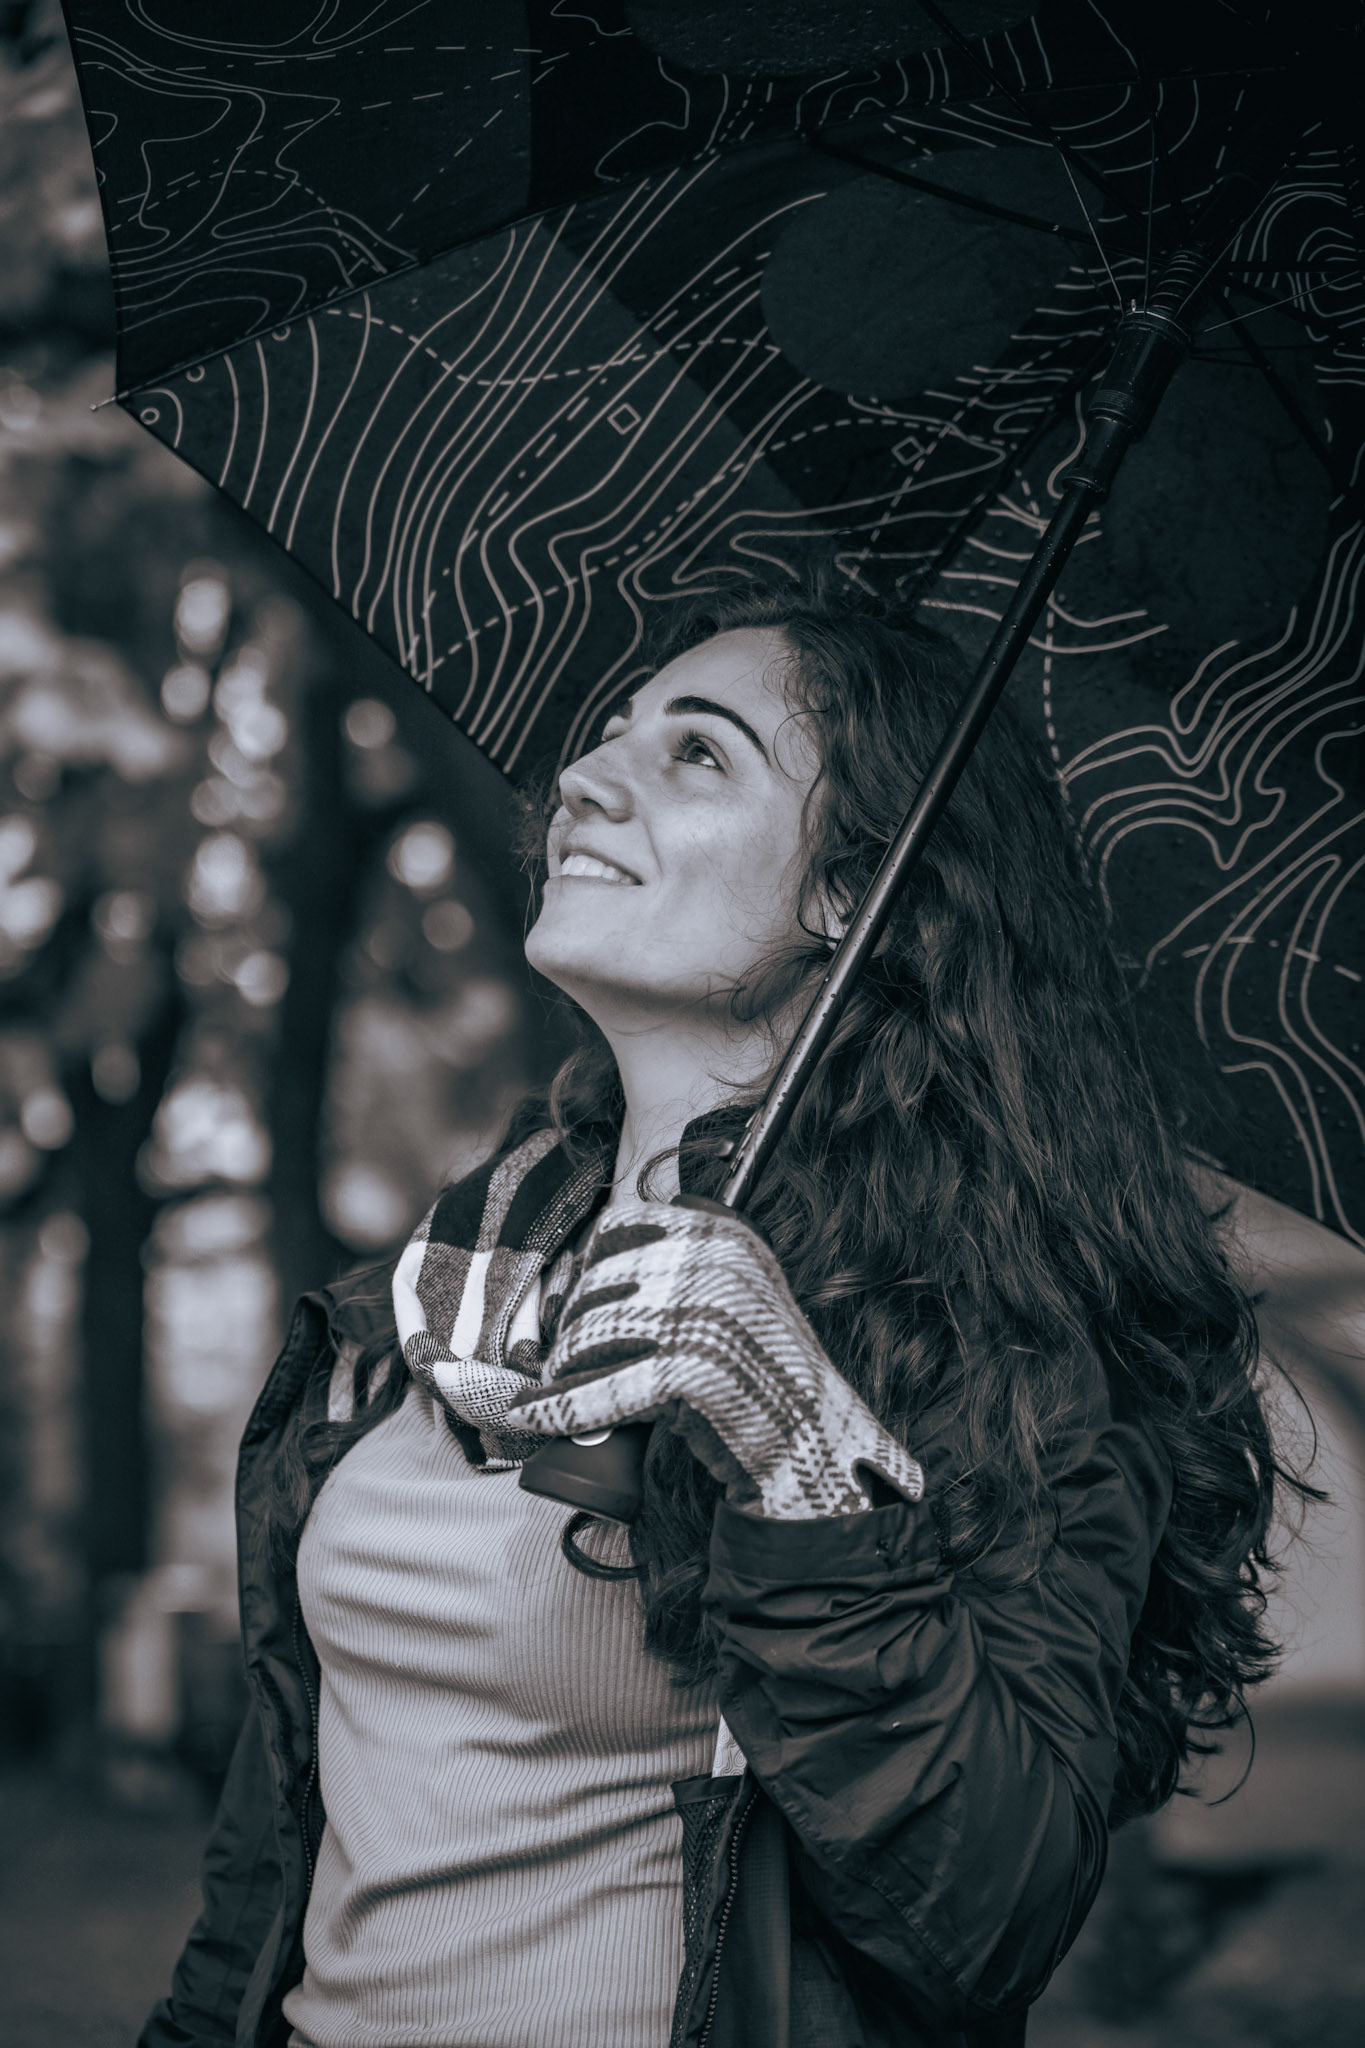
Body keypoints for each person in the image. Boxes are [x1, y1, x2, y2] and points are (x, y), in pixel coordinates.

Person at [142, 566, 1301, 2048]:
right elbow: (272, 1864)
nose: (582, 777)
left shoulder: (986, 1344)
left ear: (846, 894)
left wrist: (804, 1457)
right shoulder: (432, 1293)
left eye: (697, 752)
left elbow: (992, 1917)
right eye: (613, 730)